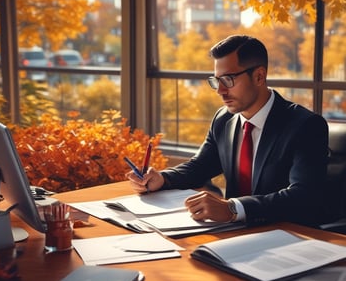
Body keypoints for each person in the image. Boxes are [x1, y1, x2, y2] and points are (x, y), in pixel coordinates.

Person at [126, 34, 329, 227]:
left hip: (290, 237)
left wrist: (233, 208)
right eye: (217, 81)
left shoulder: (305, 125)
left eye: (228, 80)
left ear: (259, 76)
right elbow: (199, 167)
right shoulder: (224, 119)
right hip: (233, 233)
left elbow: (303, 196)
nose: (220, 91)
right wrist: (163, 179)